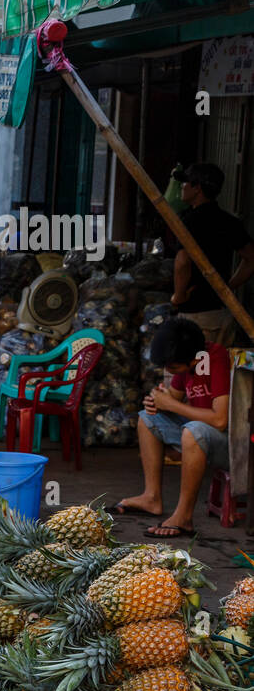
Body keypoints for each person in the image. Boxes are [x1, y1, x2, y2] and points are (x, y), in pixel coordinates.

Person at [116, 318, 230, 539]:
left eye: (175, 368)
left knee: (193, 430)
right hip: (200, 434)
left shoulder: (216, 358)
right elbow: (173, 400)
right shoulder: (186, 360)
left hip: (229, 445)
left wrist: (172, 404)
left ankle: (184, 516)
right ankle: (151, 497)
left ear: (195, 358)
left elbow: (220, 420)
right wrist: (158, 402)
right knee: (147, 419)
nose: (171, 371)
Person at [170, 162, 254, 346]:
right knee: (218, 372)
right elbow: (251, 259)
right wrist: (227, 286)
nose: (182, 187)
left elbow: (182, 262)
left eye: (186, 183)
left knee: (197, 372)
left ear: (197, 188)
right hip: (222, 315)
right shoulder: (229, 222)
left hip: (196, 318)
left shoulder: (187, 221)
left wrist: (178, 296)